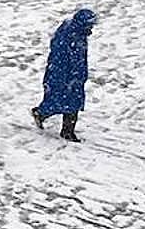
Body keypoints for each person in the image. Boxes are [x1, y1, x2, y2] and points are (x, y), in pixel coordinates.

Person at [32, 8, 97, 143]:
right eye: (90, 24)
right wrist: (70, 76)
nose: (92, 28)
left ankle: (65, 129)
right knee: (62, 101)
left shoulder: (77, 33)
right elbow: (63, 58)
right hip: (64, 75)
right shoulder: (70, 36)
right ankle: (44, 116)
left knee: (71, 102)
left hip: (73, 75)